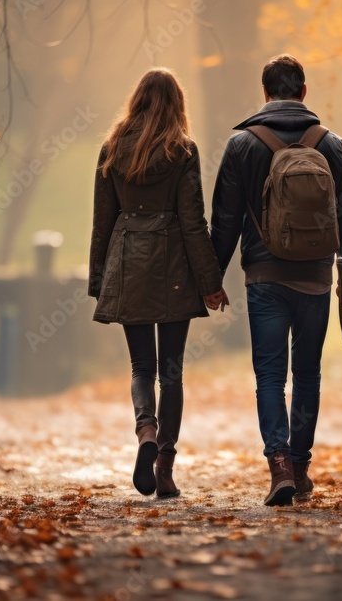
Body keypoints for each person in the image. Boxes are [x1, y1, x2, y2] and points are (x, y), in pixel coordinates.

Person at [210, 54, 342, 506]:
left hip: (264, 277)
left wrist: (211, 279)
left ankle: (277, 463)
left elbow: (224, 220)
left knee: (270, 375)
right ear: (303, 92)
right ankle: (299, 466)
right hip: (316, 278)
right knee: (309, 373)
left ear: (265, 94)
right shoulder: (332, 145)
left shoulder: (243, 145)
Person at [88, 68, 227, 499]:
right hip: (172, 269)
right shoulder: (183, 152)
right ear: (177, 105)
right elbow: (193, 223)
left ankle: (145, 429)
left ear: (137, 100)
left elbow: (102, 222)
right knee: (172, 372)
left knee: (141, 367)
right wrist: (210, 282)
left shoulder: (112, 149)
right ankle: (165, 468)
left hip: (127, 264)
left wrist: (99, 279)